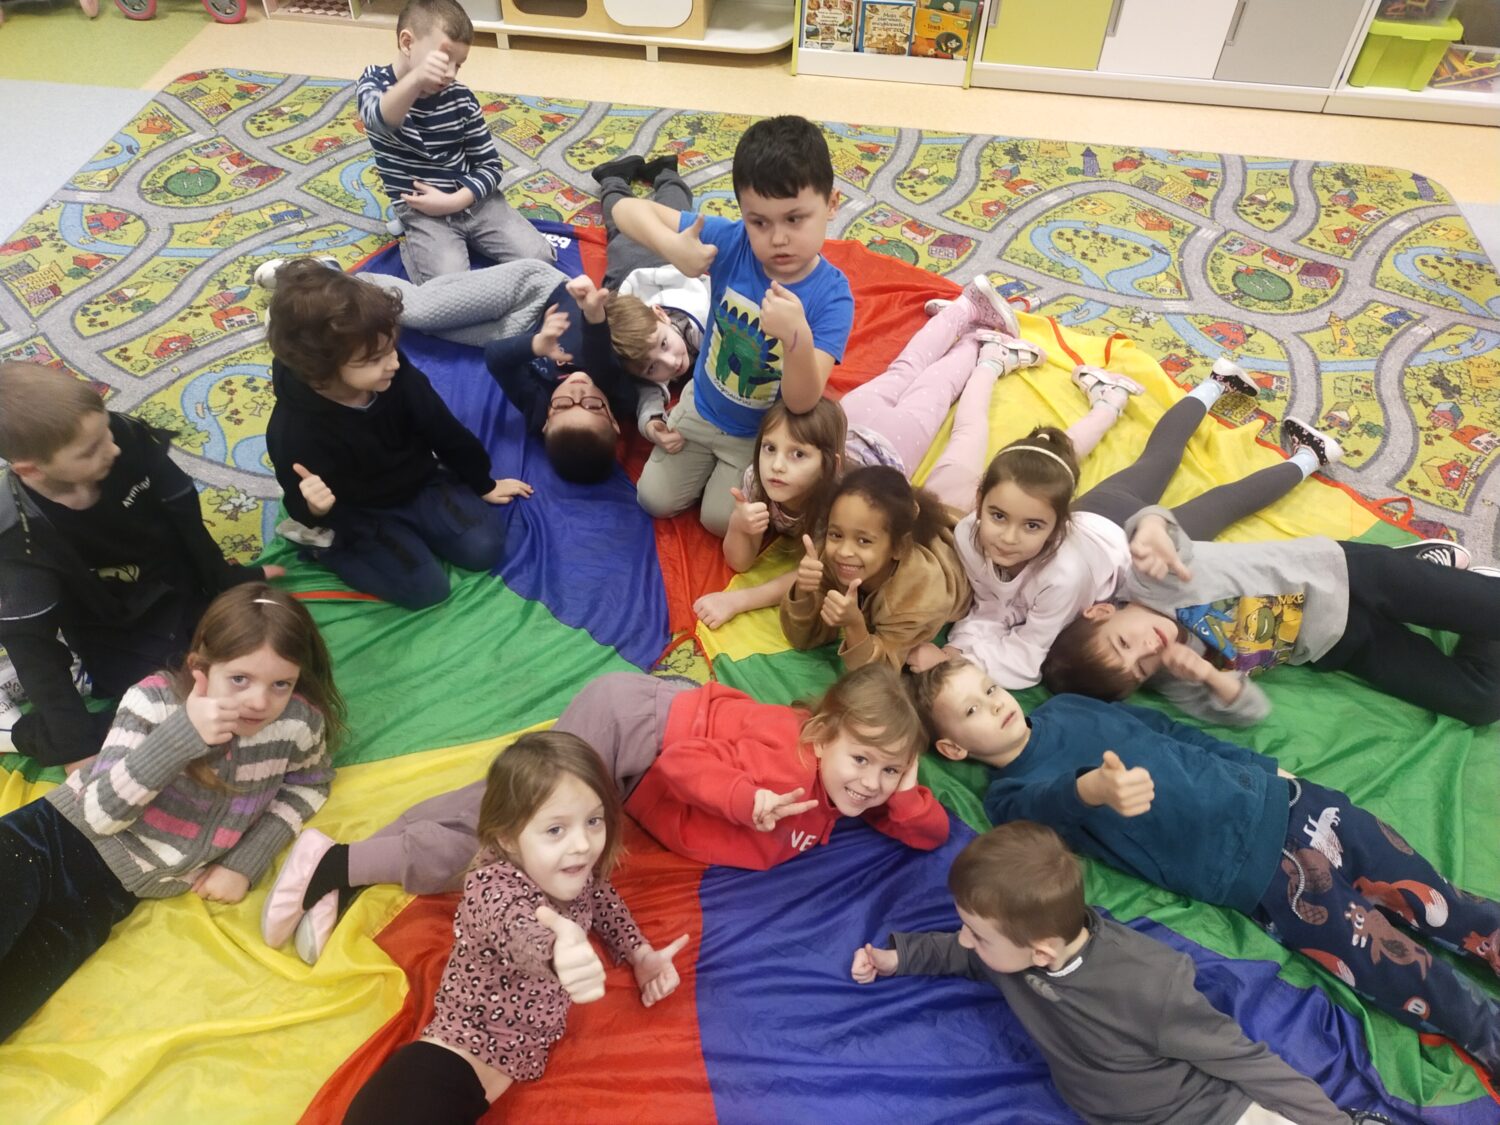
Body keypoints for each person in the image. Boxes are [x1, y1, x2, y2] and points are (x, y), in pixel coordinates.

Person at [908, 655, 1500, 1079]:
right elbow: (1051, 804)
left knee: (1438, 898)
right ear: (954, 749)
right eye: (972, 709)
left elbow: (1169, 731)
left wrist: (1268, 772)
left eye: (990, 687)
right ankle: (1485, 1031)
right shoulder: (1008, 798)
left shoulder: (1064, 706)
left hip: (1288, 802)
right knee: (1390, 961)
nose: (995, 703)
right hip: (1258, 874)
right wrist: (1094, 788)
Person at [262, 664, 946, 962]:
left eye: (890, 769)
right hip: (632, 731)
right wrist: (748, 800)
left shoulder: (852, 787)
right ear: (822, 737)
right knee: (516, 841)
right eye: (862, 759)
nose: (871, 783)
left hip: (640, 752)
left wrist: (902, 781)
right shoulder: (790, 771)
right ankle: (339, 863)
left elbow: (930, 831)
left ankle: (351, 867)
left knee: (496, 804)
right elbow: (682, 763)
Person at [694, 275, 1135, 631]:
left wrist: (739, 601)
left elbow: (814, 572)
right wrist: (741, 527)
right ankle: (964, 314)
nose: (776, 465)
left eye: (796, 456)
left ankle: (973, 333)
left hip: (891, 440)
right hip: (851, 416)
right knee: (905, 368)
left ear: (828, 463)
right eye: (770, 449)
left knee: (935, 385)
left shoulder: (838, 507)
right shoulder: (757, 483)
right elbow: (740, 560)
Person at [0, 583, 341, 1040]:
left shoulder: (298, 723)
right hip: (48, 838)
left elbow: (310, 782)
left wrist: (245, 862)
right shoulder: (153, 702)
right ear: (202, 667)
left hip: (107, 897)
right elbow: (99, 816)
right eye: (240, 679)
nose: (260, 701)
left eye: (281, 683)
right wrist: (182, 735)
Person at [852, 821, 1348, 1125]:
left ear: (1041, 952)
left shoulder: (1148, 986)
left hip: (1208, 1115)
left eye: (977, 934)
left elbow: (1242, 1059)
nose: (964, 939)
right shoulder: (1010, 954)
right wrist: (900, 957)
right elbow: (964, 955)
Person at [906, 360, 1344, 690]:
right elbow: (990, 603)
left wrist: (957, 658)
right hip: (1102, 510)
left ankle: (1311, 455)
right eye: (997, 516)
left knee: (1222, 501)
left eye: (1032, 526)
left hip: (1136, 550)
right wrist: (957, 646)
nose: (1007, 537)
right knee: (1163, 458)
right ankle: (1218, 381)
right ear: (979, 502)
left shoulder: (1062, 578)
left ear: (1058, 525)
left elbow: (1025, 659)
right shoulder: (967, 534)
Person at [342, 732, 689, 1125]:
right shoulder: (491, 889)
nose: (582, 844)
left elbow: (604, 902)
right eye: (556, 829)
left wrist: (640, 955)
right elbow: (519, 931)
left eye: (593, 821)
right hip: (444, 1064)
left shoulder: (574, 871)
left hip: (489, 1077)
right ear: (507, 837)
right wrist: (558, 954)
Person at [0, 362, 280, 768]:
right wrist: (75, 744)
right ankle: (13, 730)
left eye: (106, 430)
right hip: (111, 626)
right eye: (90, 450)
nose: (112, 448)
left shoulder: (122, 438)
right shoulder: (18, 530)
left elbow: (184, 513)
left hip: (177, 589)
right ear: (30, 469)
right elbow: (32, 643)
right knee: (178, 711)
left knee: (266, 655)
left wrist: (230, 580)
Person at [1040, 502, 1500, 727]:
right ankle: (1469, 585)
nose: (1147, 649)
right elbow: (1252, 711)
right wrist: (1210, 676)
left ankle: (1427, 573)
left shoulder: (1149, 580)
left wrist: (1151, 528)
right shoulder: (1175, 676)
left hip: (1347, 573)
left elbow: (1156, 521)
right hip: (1339, 641)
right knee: (1481, 702)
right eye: (1140, 668)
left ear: (1102, 610)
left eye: (1124, 642)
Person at [611, 115, 855, 535]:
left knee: (721, 522)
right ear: (742, 213)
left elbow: (801, 402)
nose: (777, 239)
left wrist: (796, 336)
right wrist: (673, 247)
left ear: (831, 204)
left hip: (757, 435)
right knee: (652, 499)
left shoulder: (832, 296)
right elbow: (625, 210)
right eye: (759, 222)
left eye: (795, 219)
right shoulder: (733, 240)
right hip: (701, 406)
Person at [265, 260, 528, 609]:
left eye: (391, 348)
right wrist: (315, 509)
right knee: (427, 591)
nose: (393, 362)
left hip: (420, 484)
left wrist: (483, 482)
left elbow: (443, 429)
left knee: (484, 549)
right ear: (322, 369)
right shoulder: (293, 430)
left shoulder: (398, 376)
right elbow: (298, 497)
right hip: (360, 512)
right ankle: (323, 548)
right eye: (375, 359)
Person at [355, 0, 554, 283]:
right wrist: (416, 80)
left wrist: (455, 201)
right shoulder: (373, 83)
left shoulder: (461, 98)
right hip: (422, 211)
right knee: (448, 284)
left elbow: (490, 165)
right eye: (441, 60)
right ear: (407, 43)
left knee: (541, 258)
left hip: (474, 202)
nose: (449, 73)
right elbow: (380, 120)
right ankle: (411, 239)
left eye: (458, 65)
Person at [780, 465, 970, 672]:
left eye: (863, 541)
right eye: (836, 534)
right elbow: (803, 637)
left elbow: (879, 672)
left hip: (971, 569)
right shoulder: (832, 559)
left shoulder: (918, 593)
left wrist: (854, 624)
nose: (844, 551)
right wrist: (803, 591)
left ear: (898, 547)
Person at [588, 152, 708, 456]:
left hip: (657, 262)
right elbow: (647, 397)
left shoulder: (700, 316)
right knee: (617, 228)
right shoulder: (640, 359)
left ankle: (665, 172)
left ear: (661, 316)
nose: (671, 363)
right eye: (652, 367)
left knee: (672, 213)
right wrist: (654, 425)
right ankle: (612, 177)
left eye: (664, 344)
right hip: (629, 284)